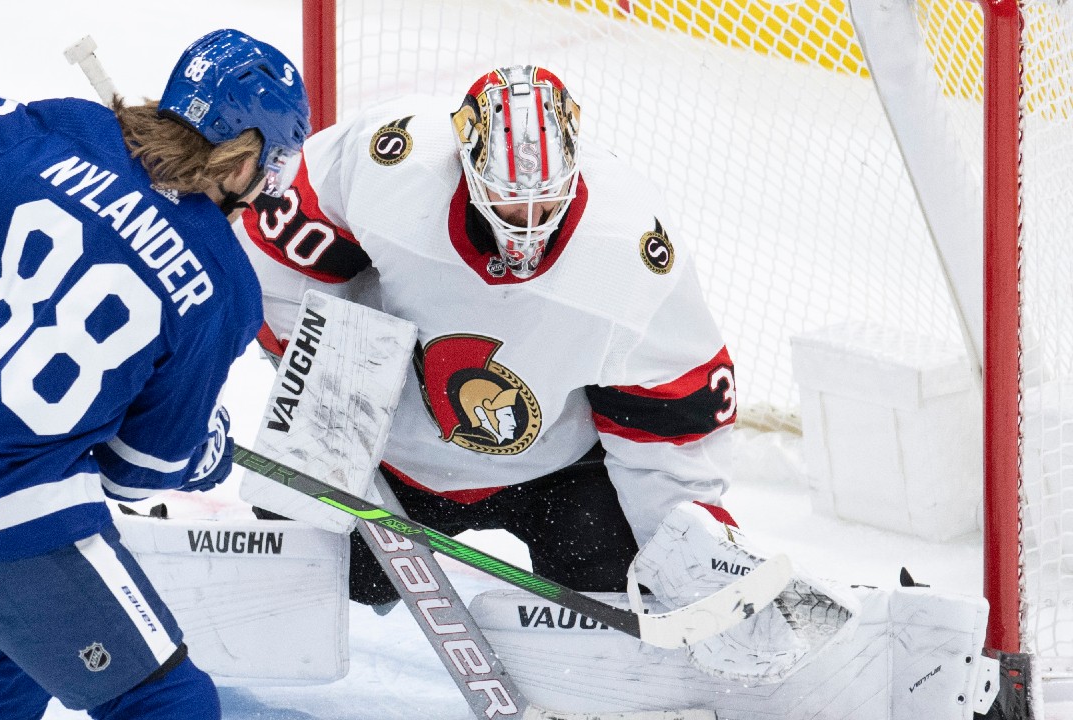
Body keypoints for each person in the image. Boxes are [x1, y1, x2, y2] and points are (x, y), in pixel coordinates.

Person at [0, 28, 309, 719]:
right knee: (167, 703)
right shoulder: (224, 288)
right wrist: (199, 452)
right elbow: (137, 471)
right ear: (245, 159)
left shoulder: (71, 128)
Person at [235, 64, 739, 614]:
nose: (526, 224)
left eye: (545, 204)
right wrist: (318, 379)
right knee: (306, 555)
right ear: (465, 162)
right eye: (506, 201)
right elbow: (275, 264)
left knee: (615, 591)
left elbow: (669, 422)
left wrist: (701, 562)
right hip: (388, 453)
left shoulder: (630, 250)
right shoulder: (390, 160)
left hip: (556, 472)